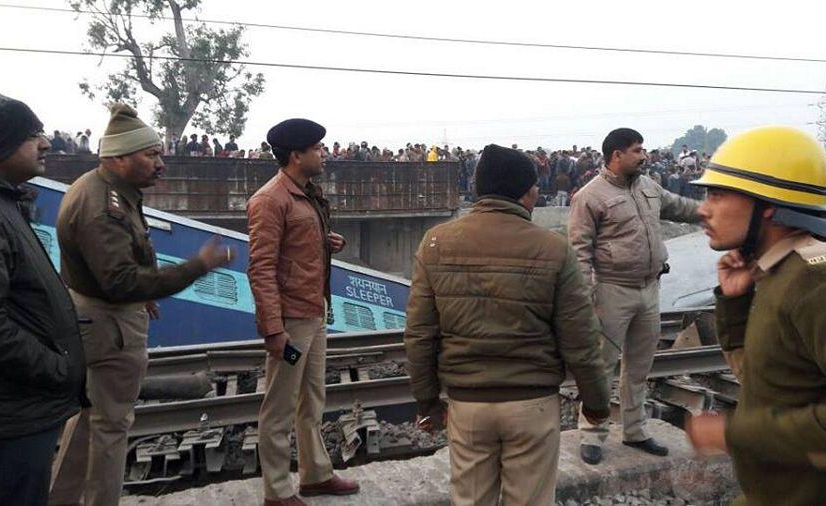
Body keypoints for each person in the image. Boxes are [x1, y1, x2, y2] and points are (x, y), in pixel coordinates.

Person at [49, 103, 233, 506]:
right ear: (118, 158)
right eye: (150, 155)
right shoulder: (104, 207)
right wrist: (197, 266)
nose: (160, 163)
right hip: (109, 325)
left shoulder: (104, 189)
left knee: (85, 423)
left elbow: (124, 261)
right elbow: (120, 281)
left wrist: (144, 292)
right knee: (112, 427)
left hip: (93, 316)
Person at [405, 144, 610, 506]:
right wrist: (596, 403)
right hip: (532, 405)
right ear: (527, 192)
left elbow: (420, 334)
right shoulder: (554, 248)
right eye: (534, 189)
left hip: (467, 406)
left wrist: (427, 403)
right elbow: (580, 337)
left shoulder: (436, 242)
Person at [686, 126, 826, 505]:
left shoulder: (821, 276)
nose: (704, 209)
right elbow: (771, 380)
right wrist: (733, 303)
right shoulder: (779, 269)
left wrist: (735, 434)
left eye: (717, 195)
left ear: (767, 204)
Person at [0, 90, 86, 506]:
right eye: (32, 134)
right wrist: (56, 368)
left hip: (6, 408)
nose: (46, 142)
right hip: (5, 416)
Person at [568, 128, 701, 465]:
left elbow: (679, 206)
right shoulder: (589, 196)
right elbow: (579, 253)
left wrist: (712, 210)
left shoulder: (647, 186)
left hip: (649, 289)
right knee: (601, 369)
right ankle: (592, 434)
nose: (644, 156)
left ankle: (635, 430)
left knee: (639, 367)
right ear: (616, 155)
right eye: (637, 150)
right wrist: (586, 302)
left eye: (643, 150)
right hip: (611, 291)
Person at [247, 118, 356, 506]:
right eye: (317, 149)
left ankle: (315, 475)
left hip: (313, 311)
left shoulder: (305, 194)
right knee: (279, 406)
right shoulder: (270, 200)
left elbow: (298, 245)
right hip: (291, 321)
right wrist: (273, 329)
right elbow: (261, 268)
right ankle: (277, 491)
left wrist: (328, 243)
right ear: (297, 155)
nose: (323, 154)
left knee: (312, 399)